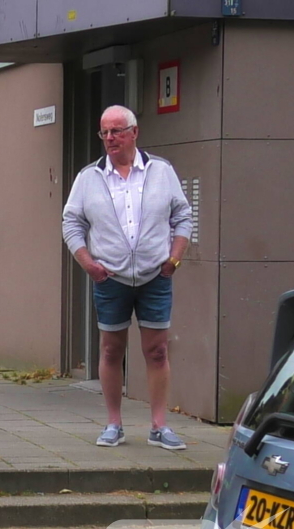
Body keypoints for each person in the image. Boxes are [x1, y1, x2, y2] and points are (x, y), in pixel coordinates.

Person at [62, 104, 192, 450]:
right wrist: (88, 263)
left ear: (134, 132)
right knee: (110, 350)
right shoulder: (89, 177)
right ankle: (113, 424)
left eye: (116, 131)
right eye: (104, 132)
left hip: (155, 276)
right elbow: (71, 223)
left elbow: (183, 216)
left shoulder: (161, 171)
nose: (109, 138)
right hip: (110, 277)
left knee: (157, 350)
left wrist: (175, 258)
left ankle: (159, 426)